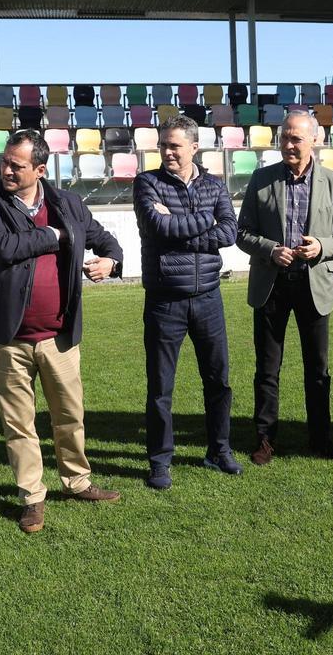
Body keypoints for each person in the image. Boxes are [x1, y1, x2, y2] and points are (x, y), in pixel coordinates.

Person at [0, 129, 123, 534]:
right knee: (19, 423)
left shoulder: (67, 202)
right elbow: (2, 247)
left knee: (70, 415)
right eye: (3, 162)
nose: (6, 171)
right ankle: (32, 497)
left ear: (40, 168)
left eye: (16, 166)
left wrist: (111, 262)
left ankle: (77, 482)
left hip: (60, 336)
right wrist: (53, 235)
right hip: (7, 338)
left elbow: (106, 240)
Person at [237, 110, 333, 464]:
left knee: (317, 369)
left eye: (296, 138)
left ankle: (319, 439)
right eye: (284, 138)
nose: (289, 144)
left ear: (315, 141)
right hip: (270, 285)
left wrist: (321, 246)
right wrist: (271, 250)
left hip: (314, 284)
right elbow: (241, 233)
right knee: (267, 368)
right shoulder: (261, 179)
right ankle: (264, 439)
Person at [133, 115, 241, 489]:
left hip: (209, 298)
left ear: (194, 147)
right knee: (161, 387)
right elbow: (158, 228)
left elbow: (229, 232)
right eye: (163, 144)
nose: (167, 151)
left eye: (174, 145)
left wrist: (185, 224)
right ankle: (160, 462)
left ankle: (219, 449)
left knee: (218, 380)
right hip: (165, 301)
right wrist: (204, 221)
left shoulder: (214, 184)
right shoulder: (147, 183)